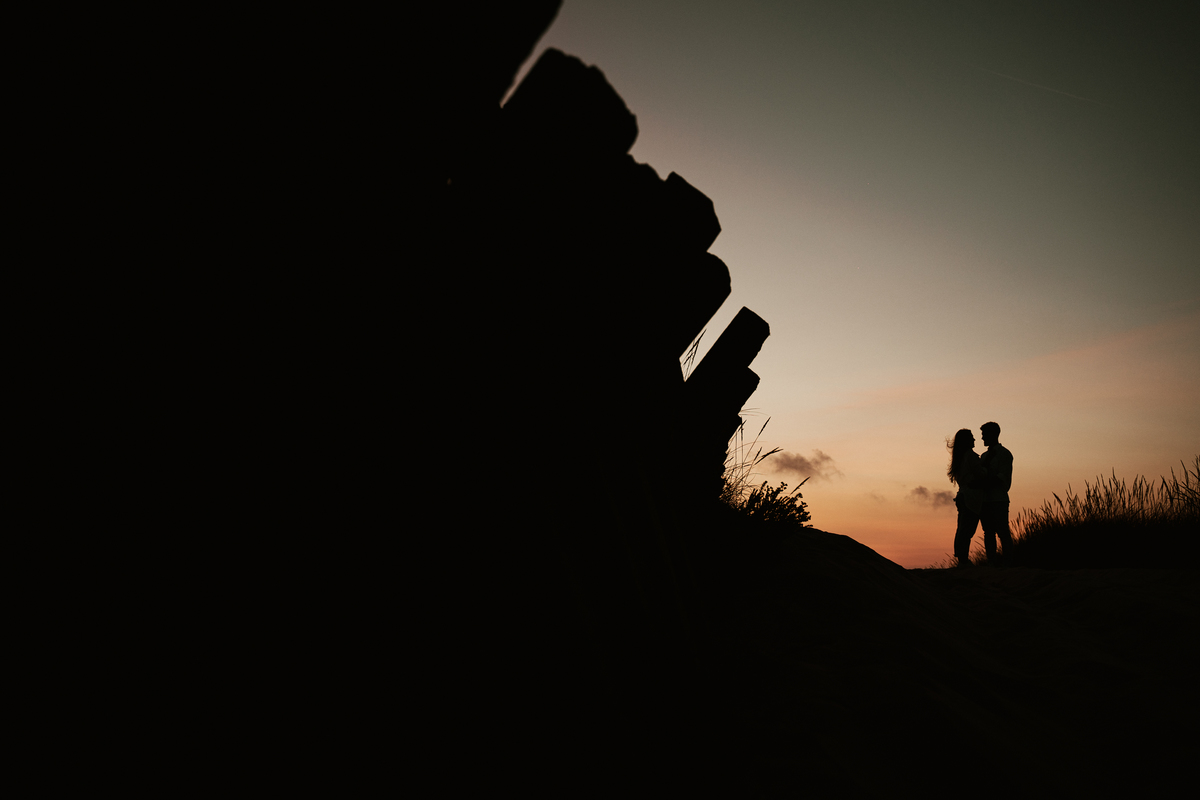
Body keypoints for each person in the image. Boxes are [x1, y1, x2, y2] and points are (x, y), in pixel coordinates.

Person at [947, 428, 988, 566]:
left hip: (963, 496)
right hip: (970, 497)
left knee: (963, 529)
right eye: (971, 437)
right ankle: (963, 560)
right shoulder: (970, 456)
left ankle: (961, 557)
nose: (974, 439)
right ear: (966, 441)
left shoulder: (960, 457)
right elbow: (980, 475)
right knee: (966, 529)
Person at [979, 421, 1014, 562]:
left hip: (998, 499)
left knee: (1002, 532)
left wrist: (984, 483)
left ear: (994, 434)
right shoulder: (983, 457)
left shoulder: (1004, 454)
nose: (982, 438)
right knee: (988, 532)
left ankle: (1009, 561)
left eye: (984, 434)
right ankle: (991, 562)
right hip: (986, 499)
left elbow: (1002, 477)